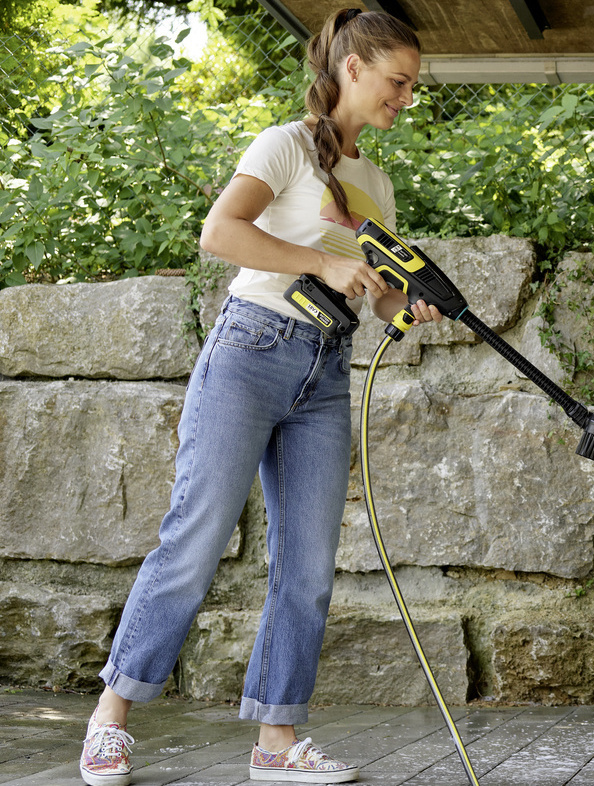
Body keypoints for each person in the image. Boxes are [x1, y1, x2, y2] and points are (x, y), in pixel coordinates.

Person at [80, 9, 436, 785]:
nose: (406, 97)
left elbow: (371, 290)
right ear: (352, 69)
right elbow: (222, 233)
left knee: (307, 568)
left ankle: (277, 743)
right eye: (397, 82)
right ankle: (111, 717)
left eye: (412, 86)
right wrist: (317, 261)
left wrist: (403, 306)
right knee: (194, 541)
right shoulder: (284, 145)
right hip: (252, 351)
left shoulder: (374, 181)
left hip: (326, 372)